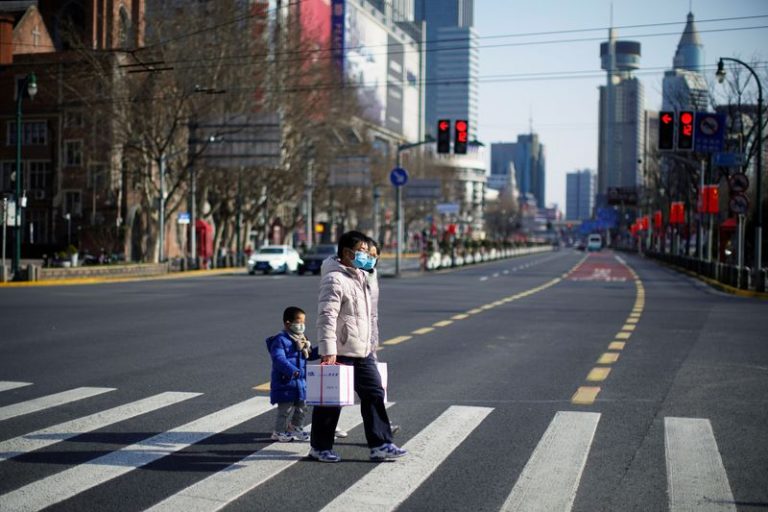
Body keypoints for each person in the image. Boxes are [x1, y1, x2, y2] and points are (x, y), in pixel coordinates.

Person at [309, 230, 406, 463]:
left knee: (374, 393)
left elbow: (368, 316)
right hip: (341, 350)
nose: (366, 255)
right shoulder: (335, 278)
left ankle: (381, 444)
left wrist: (371, 344)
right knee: (331, 401)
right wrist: (328, 349)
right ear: (347, 252)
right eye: (362, 251)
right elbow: (326, 315)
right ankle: (320, 447)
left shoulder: (361, 276)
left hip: (362, 351)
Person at [363, 238, 400, 436]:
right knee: (340, 387)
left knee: (372, 389)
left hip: (367, 341)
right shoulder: (350, 275)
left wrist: (373, 340)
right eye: (367, 254)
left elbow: (372, 313)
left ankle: (382, 429)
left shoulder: (372, 274)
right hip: (348, 343)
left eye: (374, 255)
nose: (371, 258)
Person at [266, 306, 317, 442]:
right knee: (285, 410)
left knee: (302, 407)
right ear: (288, 323)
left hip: (300, 381)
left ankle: (295, 427)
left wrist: (324, 350)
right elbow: (279, 358)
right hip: (285, 381)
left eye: (303, 322)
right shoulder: (280, 340)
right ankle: (278, 432)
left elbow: (309, 355)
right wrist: (292, 371)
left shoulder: (302, 339)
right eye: (299, 322)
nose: (302, 325)